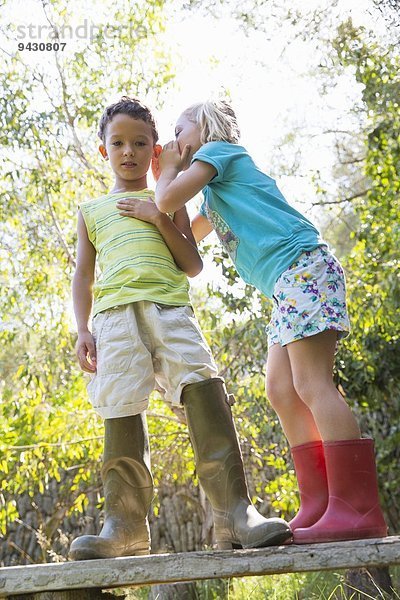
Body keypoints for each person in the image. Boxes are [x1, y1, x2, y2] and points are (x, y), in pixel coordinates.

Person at [153, 99, 388, 544]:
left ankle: (357, 507)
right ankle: (320, 503)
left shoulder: (220, 154)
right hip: (286, 285)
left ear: (207, 128)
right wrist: (158, 209)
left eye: (180, 129)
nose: (175, 139)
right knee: (281, 390)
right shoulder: (214, 193)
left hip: (303, 266)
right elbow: (185, 235)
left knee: (312, 384)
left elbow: (167, 196)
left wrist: (164, 171)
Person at [69, 97, 291, 560]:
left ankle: (235, 513)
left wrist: (159, 216)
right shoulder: (92, 211)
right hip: (112, 319)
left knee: (202, 384)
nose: (128, 151)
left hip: (171, 310)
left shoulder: (168, 198)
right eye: (118, 143)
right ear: (103, 150)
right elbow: (83, 276)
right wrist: (82, 329)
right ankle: (125, 526)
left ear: (155, 151)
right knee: (120, 403)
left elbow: (191, 263)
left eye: (140, 143)